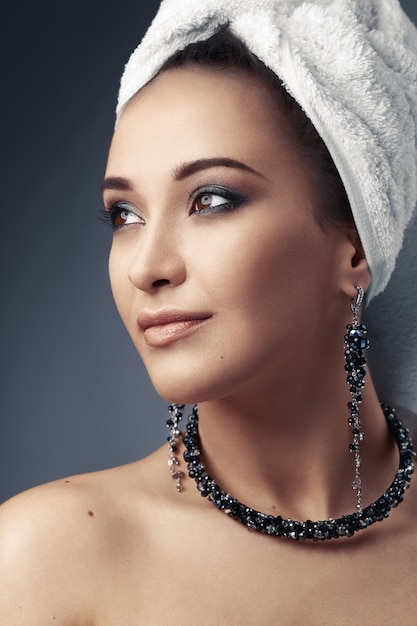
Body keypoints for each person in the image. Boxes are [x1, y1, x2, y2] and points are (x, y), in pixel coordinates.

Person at [1, 0, 417, 623]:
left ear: (355, 243)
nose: (147, 266)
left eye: (212, 199)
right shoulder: (43, 559)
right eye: (124, 215)